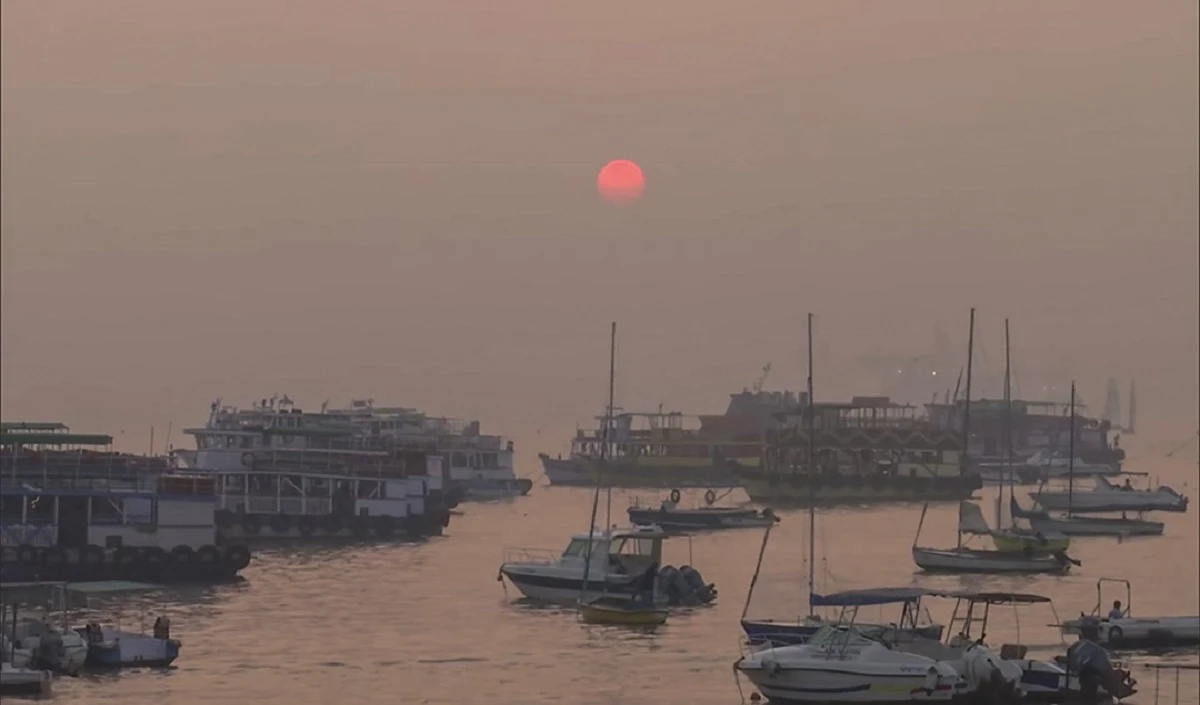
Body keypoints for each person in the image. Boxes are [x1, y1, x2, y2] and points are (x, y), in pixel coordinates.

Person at [1066, 617, 1123, 704]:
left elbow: (1073, 666)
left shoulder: (1075, 647)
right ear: (1094, 632)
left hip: (1080, 690)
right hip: (1092, 692)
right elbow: (1107, 671)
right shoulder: (1097, 650)